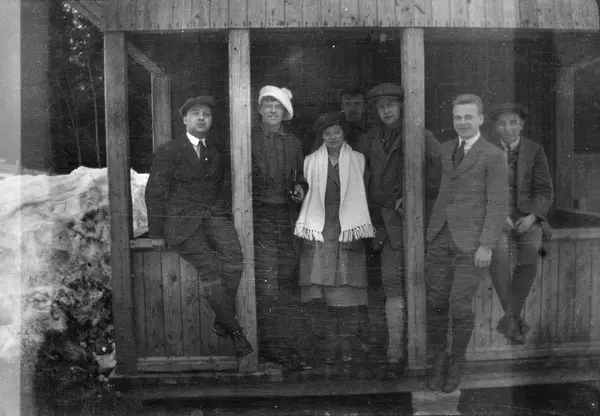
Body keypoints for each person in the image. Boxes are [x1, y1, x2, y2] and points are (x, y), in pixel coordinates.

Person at [144, 96, 252, 358]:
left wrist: (222, 213)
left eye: (206, 114)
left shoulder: (215, 151)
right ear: (185, 119)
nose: (202, 118)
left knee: (235, 260)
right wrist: (156, 233)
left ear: (211, 121)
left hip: (213, 217)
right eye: (195, 113)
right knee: (210, 268)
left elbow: (222, 187)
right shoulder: (169, 151)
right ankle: (235, 332)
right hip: (182, 223)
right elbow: (155, 192)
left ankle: (222, 320)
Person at [355, 82, 441, 378]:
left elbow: (439, 175)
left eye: (391, 104)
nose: (386, 111)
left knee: (412, 285)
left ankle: (408, 353)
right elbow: (356, 177)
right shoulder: (368, 139)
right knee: (385, 286)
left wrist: (414, 194)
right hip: (376, 224)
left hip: (408, 224)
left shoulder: (420, 136)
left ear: (402, 106)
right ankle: (392, 351)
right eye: (381, 107)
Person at [425, 94, 508, 393]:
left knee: (459, 306)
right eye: (458, 117)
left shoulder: (493, 155)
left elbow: (497, 203)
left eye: (468, 117)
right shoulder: (445, 149)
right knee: (435, 303)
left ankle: (456, 363)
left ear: (481, 119)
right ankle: (438, 360)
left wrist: (486, 244)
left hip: (471, 244)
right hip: (439, 238)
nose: (462, 122)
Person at [295, 112, 376, 372]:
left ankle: (348, 351)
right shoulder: (309, 162)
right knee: (319, 296)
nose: (332, 137)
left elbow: (367, 194)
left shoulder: (359, 160)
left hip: (348, 232)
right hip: (319, 233)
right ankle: (328, 350)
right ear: (321, 136)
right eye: (327, 133)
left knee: (348, 295)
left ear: (344, 134)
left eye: (337, 132)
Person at [251, 85, 309, 368]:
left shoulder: (294, 143)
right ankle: (267, 346)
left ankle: (287, 343)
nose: (273, 110)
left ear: (286, 113)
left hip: (286, 219)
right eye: (268, 105)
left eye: (278, 106)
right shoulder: (248, 138)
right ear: (260, 109)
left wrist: (300, 187)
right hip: (260, 218)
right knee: (267, 283)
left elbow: (301, 177)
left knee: (288, 279)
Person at [487, 103, 554, 344]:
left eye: (513, 122)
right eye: (502, 123)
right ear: (496, 127)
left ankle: (510, 318)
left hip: (527, 218)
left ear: (522, 125)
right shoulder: (485, 150)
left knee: (531, 253)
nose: (508, 128)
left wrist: (533, 216)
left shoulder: (535, 151)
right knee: (499, 253)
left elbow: (544, 191)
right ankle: (514, 320)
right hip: (497, 218)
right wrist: (498, 214)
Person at [310, 84, 372, 152]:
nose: (352, 108)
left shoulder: (372, 129)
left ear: (364, 106)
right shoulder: (329, 126)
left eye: (357, 104)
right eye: (347, 104)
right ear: (342, 106)